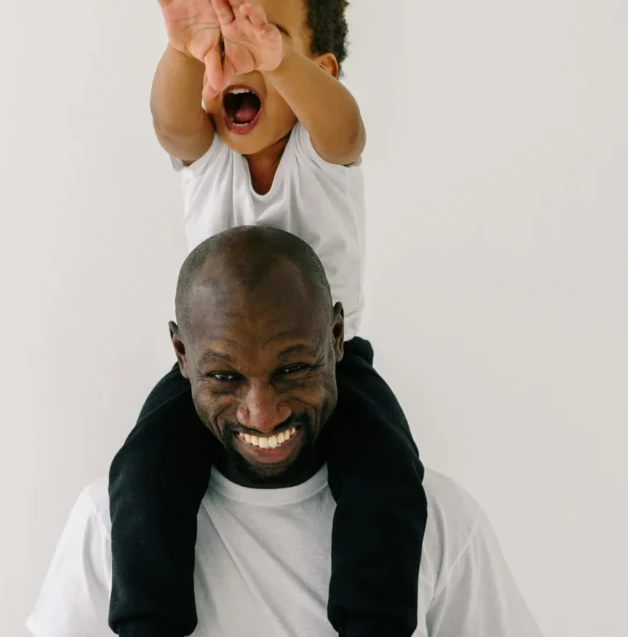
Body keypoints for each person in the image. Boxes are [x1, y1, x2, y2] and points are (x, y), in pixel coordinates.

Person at [109, 0, 427, 637]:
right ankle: (150, 623)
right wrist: (182, 50)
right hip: (217, 370)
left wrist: (279, 61)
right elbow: (170, 121)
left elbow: (346, 125)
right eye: (226, 42)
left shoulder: (322, 153)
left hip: (325, 364)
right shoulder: (207, 156)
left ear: (321, 67)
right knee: (142, 474)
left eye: (265, 36)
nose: (242, 55)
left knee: (387, 476)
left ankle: (373, 622)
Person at [28, 226, 543, 637]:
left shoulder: (440, 519)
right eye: (225, 377)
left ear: (337, 338)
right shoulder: (108, 520)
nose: (263, 413)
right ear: (181, 354)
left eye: (293, 369)